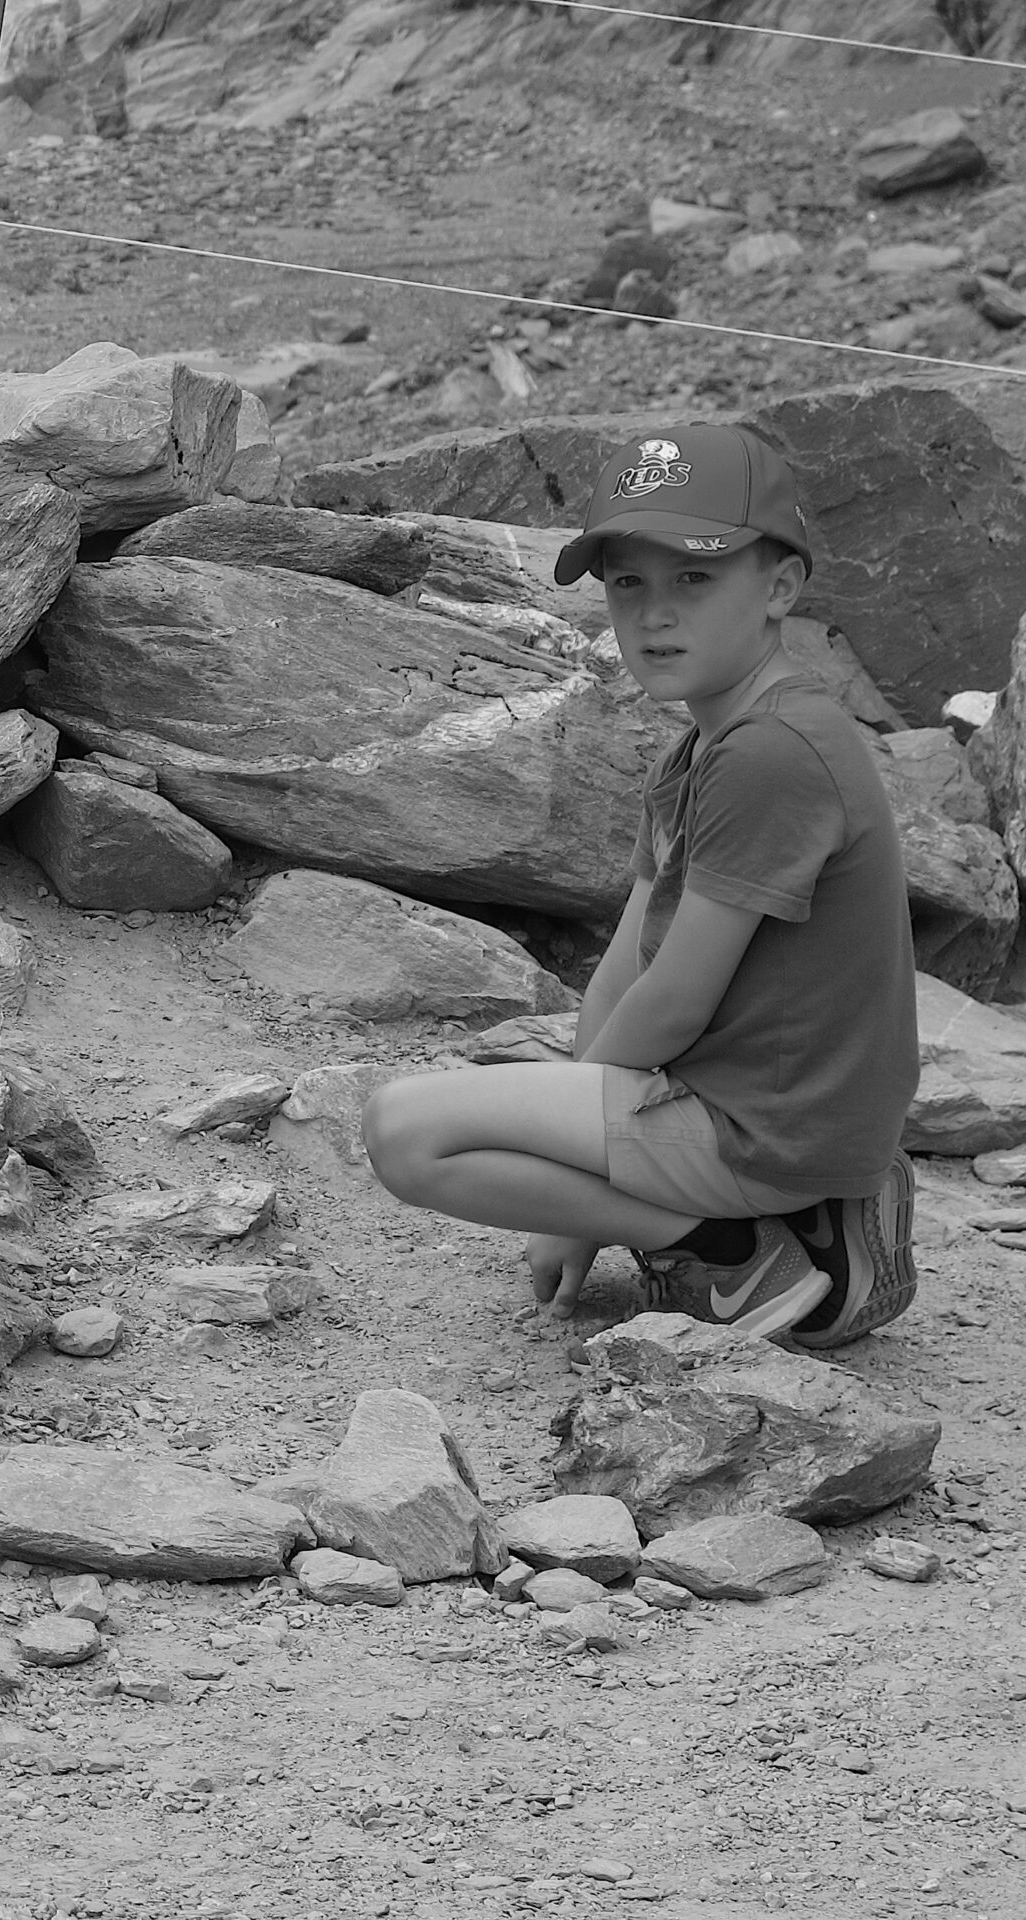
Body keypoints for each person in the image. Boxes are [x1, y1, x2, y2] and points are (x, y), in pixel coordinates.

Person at [362, 424, 919, 1344]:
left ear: (781, 587)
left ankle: (738, 1248)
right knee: (495, 1102)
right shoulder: (704, 747)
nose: (654, 614)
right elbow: (624, 970)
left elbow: (673, 1003)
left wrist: (580, 1189)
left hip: (769, 1131)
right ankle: (798, 1229)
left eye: (693, 577)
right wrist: (579, 1164)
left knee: (402, 1130)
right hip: (756, 1113)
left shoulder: (774, 752)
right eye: (628, 583)